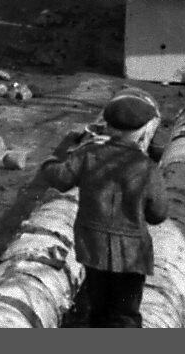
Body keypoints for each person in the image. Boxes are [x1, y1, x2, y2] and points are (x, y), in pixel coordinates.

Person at [41, 90, 170, 327]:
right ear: (143, 132)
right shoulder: (146, 168)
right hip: (132, 256)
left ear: (108, 127)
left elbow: (61, 178)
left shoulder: (89, 154)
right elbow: (158, 214)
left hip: (94, 249)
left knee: (99, 309)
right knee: (125, 314)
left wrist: (52, 159)